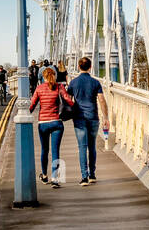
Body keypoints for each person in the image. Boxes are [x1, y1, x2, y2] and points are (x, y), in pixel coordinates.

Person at [29, 66, 74, 187]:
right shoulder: (59, 87)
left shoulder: (39, 88)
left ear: (43, 77)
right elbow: (68, 100)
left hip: (43, 124)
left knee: (44, 150)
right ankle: (55, 178)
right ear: (54, 76)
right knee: (55, 151)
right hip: (56, 122)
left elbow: (32, 105)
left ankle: (44, 176)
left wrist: (25, 113)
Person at [66, 56, 108, 185]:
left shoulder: (73, 83)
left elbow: (68, 99)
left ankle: (84, 177)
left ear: (79, 67)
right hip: (93, 117)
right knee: (92, 146)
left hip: (79, 118)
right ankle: (92, 175)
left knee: (82, 147)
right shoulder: (95, 82)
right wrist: (106, 117)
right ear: (90, 67)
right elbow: (101, 100)